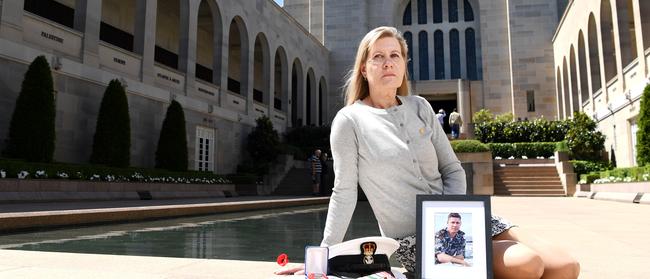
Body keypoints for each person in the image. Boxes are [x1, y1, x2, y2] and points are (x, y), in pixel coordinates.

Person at [275, 26, 579, 279]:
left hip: (462, 221)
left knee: (567, 266)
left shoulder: (420, 106)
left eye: (394, 55)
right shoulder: (349, 120)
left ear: (404, 64)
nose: (387, 63)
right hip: (419, 241)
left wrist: (451, 216)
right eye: (378, 57)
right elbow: (344, 192)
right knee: (528, 265)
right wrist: (323, 256)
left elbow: (452, 170)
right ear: (364, 68)